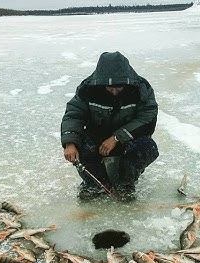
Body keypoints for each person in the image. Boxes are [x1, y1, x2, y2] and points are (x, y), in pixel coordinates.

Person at [60, 51, 159, 202]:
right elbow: (74, 114)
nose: (114, 91)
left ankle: (126, 183)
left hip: (129, 138)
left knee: (147, 147)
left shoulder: (141, 88)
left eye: (119, 87)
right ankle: (95, 183)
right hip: (97, 138)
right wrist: (70, 143)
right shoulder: (88, 88)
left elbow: (147, 118)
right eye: (109, 87)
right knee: (80, 146)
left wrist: (117, 137)